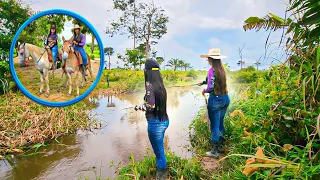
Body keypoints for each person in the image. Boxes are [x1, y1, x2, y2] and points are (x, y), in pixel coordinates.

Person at [134, 59, 169, 180]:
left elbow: (150, 107)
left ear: (147, 72)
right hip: (164, 121)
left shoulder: (150, 87)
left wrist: (139, 107)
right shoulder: (161, 86)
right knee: (160, 150)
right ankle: (161, 167)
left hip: (155, 125)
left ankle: (162, 174)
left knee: (159, 154)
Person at [198, 48, 230, 158]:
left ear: (211, 59)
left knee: (215, 126)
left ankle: (214, 151)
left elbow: (210, 86)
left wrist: (204, 90)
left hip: (215, 100)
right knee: (220, 123)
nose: (207, 60)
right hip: (225, 98)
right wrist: (202, 82)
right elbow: (211, 81)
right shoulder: (221, 70)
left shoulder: (212, 70)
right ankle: (220, 146)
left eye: (208, 58)